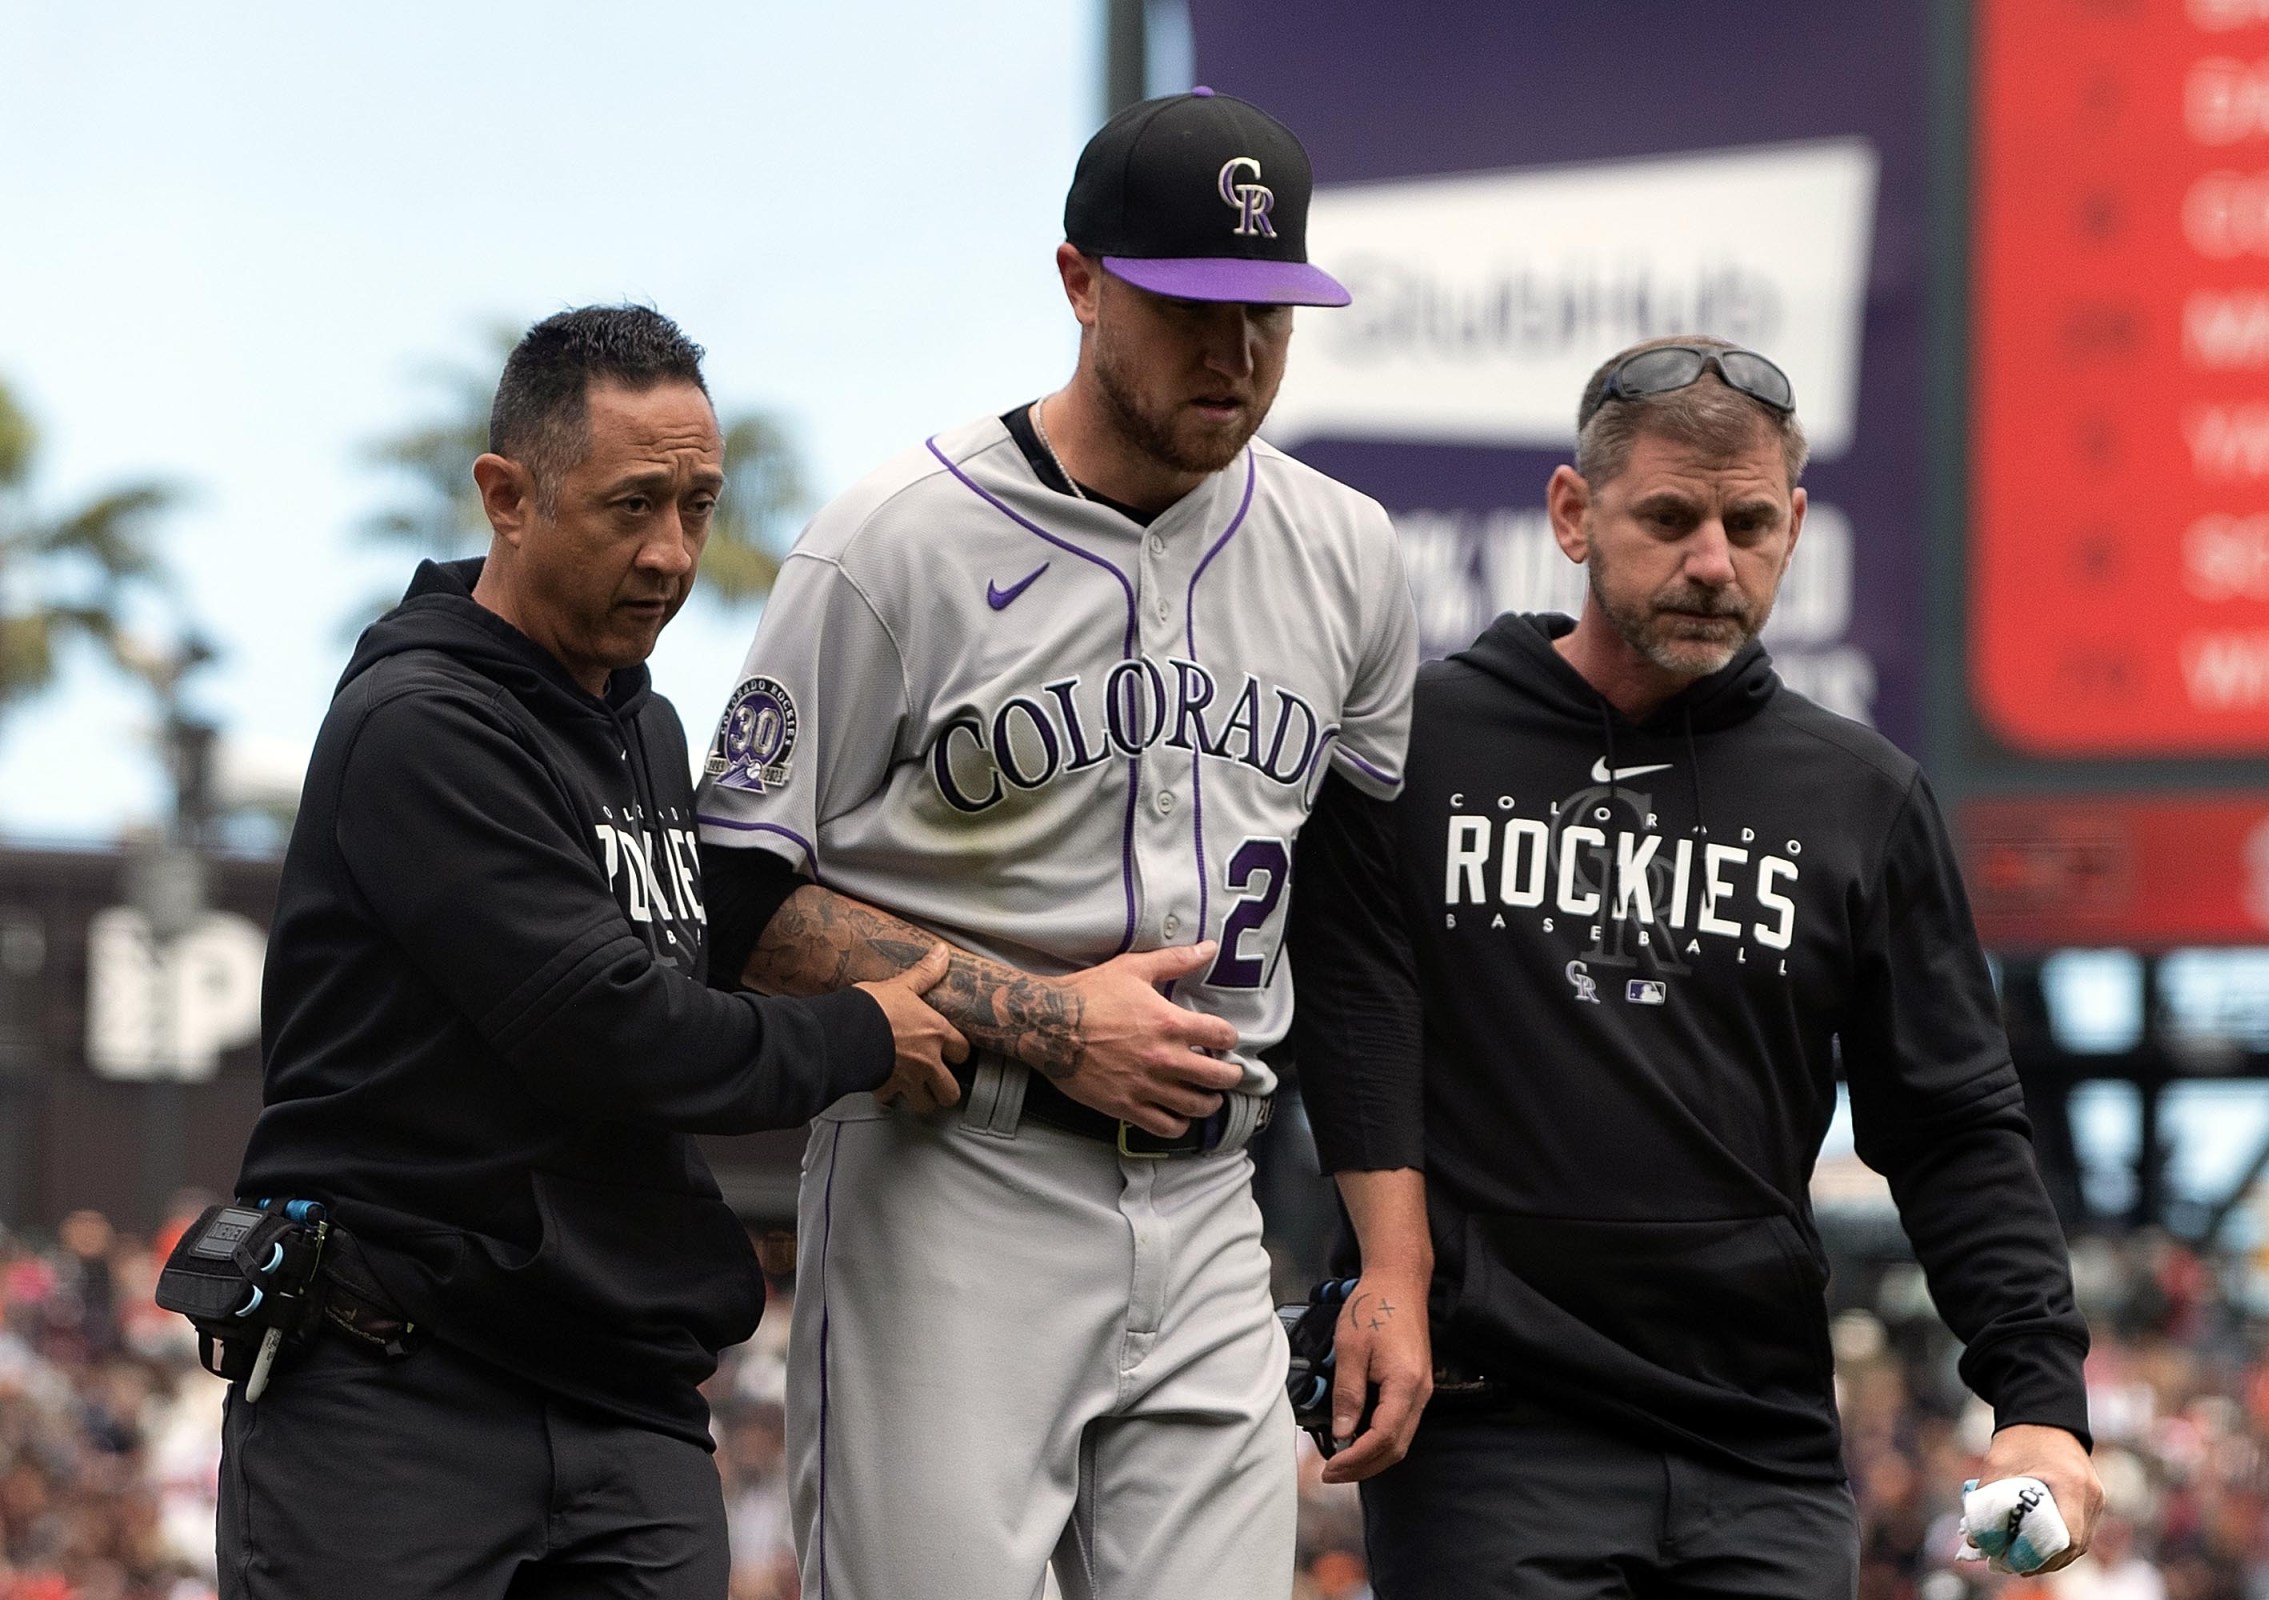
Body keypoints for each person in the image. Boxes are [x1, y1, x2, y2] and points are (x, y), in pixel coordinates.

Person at [694, 89, 1429, 1600]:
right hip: (952, 1181)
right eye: (1190, 305)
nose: (1234, 353)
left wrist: (1393, 1268)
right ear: (1080, 283)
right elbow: (736, 898)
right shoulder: (894, 541)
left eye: (1269, 312)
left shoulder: (1348, 555)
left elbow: (1358, 947)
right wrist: (1040, 1014)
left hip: (1217, 1198)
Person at [1284, 335, 2106, 1600]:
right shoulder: (1420, 745)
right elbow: (1340, 1028)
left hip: (1760, 1444)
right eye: (1668, 517)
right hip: (1491, 1430)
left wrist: (2040, 1397)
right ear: (1573, 513)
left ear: (1795, 526)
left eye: (1748, 523)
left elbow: (1950, 1125)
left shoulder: (1862, 796)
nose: (1712, 562)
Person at [221, 305, 964, 1599]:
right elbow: (614, 1029)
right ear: (506, 496)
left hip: (621, 1398)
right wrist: (861, 1033)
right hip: (398, 1399)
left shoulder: (644, 722)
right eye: (631, 506)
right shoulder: (421, 726)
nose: (672, 552)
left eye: (698, 504)